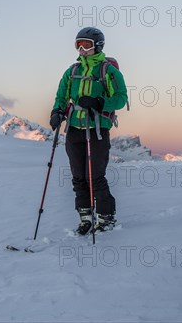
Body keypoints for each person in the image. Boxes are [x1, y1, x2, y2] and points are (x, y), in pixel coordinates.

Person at [49, 27, 128, 235]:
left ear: (98, 46)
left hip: (97, 130)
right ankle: (85, 218)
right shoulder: (72, 71)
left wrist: (99, 102)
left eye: (86, 45)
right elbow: (61, 96)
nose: (82, 49)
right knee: (78, 176)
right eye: (78, 45)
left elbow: (121, 98)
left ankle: (105, 217)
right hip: (75, 128)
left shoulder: (108, 71)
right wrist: (57, 111)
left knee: (94, 176)